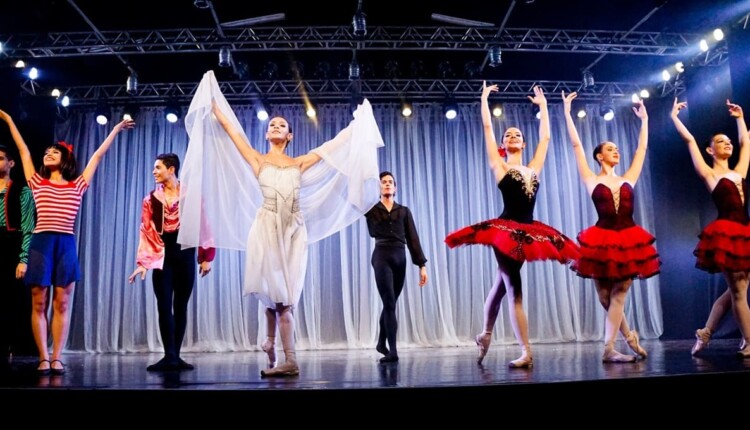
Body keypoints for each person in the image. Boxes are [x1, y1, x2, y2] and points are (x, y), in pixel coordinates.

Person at [177, 70, 384, 377]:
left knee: (282, 294)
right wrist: (213, 102)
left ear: (290, 136)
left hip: (293, 231)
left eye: (282, 125)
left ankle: (273, 344)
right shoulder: (257, 159)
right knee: (277, 296)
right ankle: (289, 358)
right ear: (266, 134)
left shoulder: (299, 162)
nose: (275, 126)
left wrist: (357, 126)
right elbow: (232, 130)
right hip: (267, 228)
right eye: (271, 124)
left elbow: (332, 146)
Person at [445, 81, 580, 368]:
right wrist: (482, 98)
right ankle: (526, 351)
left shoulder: (533, 167)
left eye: (517, 133)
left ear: (523, 142)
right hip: (505, 232)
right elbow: (486, 129)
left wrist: (544, 107)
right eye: (508, 134)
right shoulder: (500, 166)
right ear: (503, 145)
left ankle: (485, 335)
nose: (513, 135)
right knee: (514, 287)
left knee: (500, 287)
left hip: (529, 231)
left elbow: (545, 139)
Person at [0, 109, 133, 375]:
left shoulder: (78, 185)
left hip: (66, 244)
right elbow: (23, 150)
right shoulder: (36, 182)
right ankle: (43, 356)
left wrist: (116, 129)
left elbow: (98, 155)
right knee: (39, 302)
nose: (47, 153)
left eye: (54, 152)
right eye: (46, 152)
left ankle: (57, 357)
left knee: (62, 302)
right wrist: (9, 120)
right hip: (41, 243)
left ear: (66, 160)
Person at [562, 91, 660, 363]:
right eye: (610, 148)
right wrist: (568, 114)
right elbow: (576, 147)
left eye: (617, 148)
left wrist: (645, 121)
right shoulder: (591, 179)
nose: (616, 151)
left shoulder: (629, 177)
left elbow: (641, 149)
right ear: (599, 156)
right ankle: (629, 338)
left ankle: (609, 350)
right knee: (606, 298)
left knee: (620, 292)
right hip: (600, 240)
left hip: (628, 240)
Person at [671, 97, 750, 358]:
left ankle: (705, 334)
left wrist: (739, 119)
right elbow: (690, 141)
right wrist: (674, 117)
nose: (727, 143)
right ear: (710, 151)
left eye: (728, 141)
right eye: (720, 141)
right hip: (726, 234)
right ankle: (749, 341)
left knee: (734, 292)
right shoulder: (709, 174)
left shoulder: (740, 171)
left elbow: (745, 142)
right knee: (738, 290)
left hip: (745, 231)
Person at [128, 153, 215, 371]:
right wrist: (143, 262)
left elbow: (204, 225)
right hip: (162, 254)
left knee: (181, 306)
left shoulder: (191, 196)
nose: (154, 172)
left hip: (184, 252)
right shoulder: (150, 199)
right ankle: (170, 355)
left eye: (158, 168)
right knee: (164, 305)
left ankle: (176, 355)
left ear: (171, 169)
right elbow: (146, 230)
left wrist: (206, 257)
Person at [365, 171, 428, 363]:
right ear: (379, 187)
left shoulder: (404, 211)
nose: (387, 184)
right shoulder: (371, 209)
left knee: (390, 303)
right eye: (383, 182)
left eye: (390, 182)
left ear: (395, 187)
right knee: (390, 302)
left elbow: (413, 238)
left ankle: (381, 343)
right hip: (381, 255)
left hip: (400, 257)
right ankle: (392, 351)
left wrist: (422, 266)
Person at [0, 144, 36, 372]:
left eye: (0, 158)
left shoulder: (22, 192)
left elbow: (28, 227)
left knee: (6, 300)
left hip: (8, 245)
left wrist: (23, 258)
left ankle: (6, 347)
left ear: (11, 163)